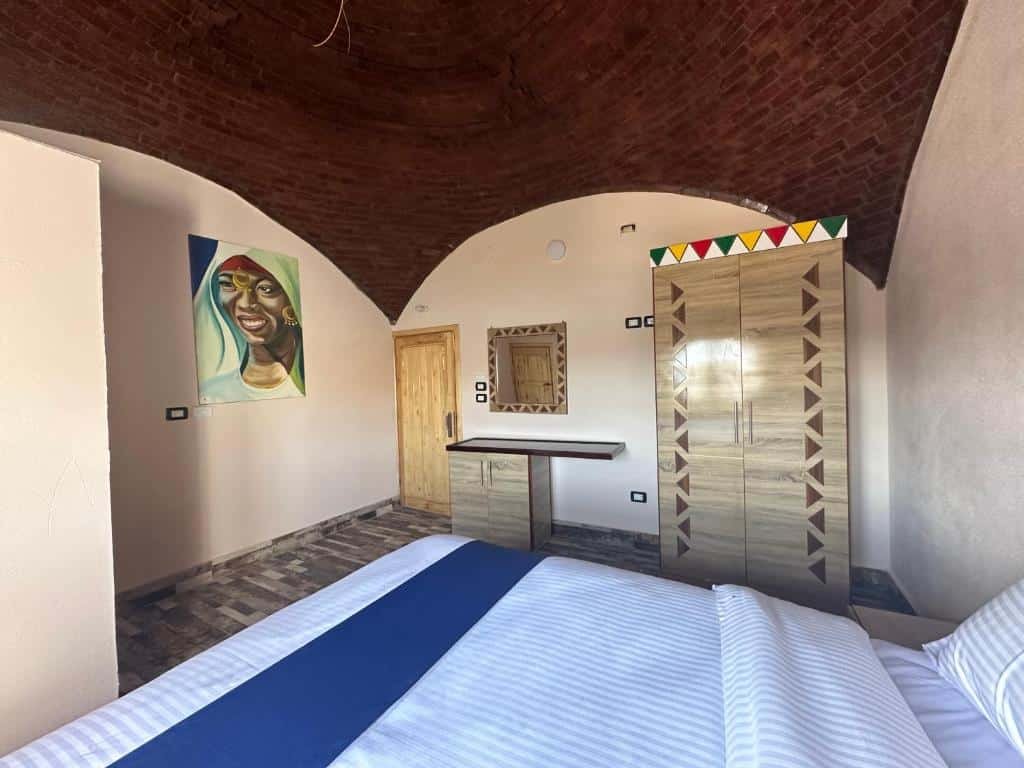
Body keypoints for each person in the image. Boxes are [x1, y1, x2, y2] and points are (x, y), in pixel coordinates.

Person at [193, 246, 305, 403]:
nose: (245, 304)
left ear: (292, 298)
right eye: (228, 284)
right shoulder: (212, 393)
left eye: (266, 288)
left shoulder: (312, 382)